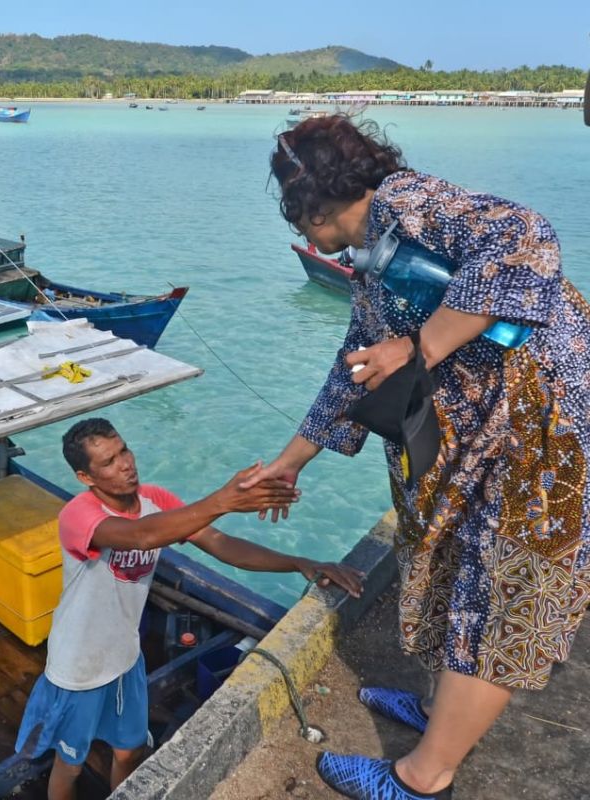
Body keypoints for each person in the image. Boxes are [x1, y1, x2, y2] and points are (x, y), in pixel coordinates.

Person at [252, 114, 590, 800]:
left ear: (314, 206)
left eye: (299, 222)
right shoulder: (372, 262)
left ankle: (422, 775)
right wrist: (289, 464)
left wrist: (417, 346)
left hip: (542, 435)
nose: (302, 238)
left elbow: (528, 237)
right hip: (487, 439)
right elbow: (348, 373)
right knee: (462, 575)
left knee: (501, 596)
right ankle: (441, 716)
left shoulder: (409, 204)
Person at [15, 418, 363, 800]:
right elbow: (141, 535)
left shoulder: (155, 500)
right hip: (77, 667)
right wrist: (224, 499)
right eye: (109, 462)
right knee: (70, 764)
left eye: (124, 450)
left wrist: (298, 562)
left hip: (125, 659)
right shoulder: (79, 515)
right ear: (86, 477)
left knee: (129, 751)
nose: (126, 464)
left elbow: (218, 541)